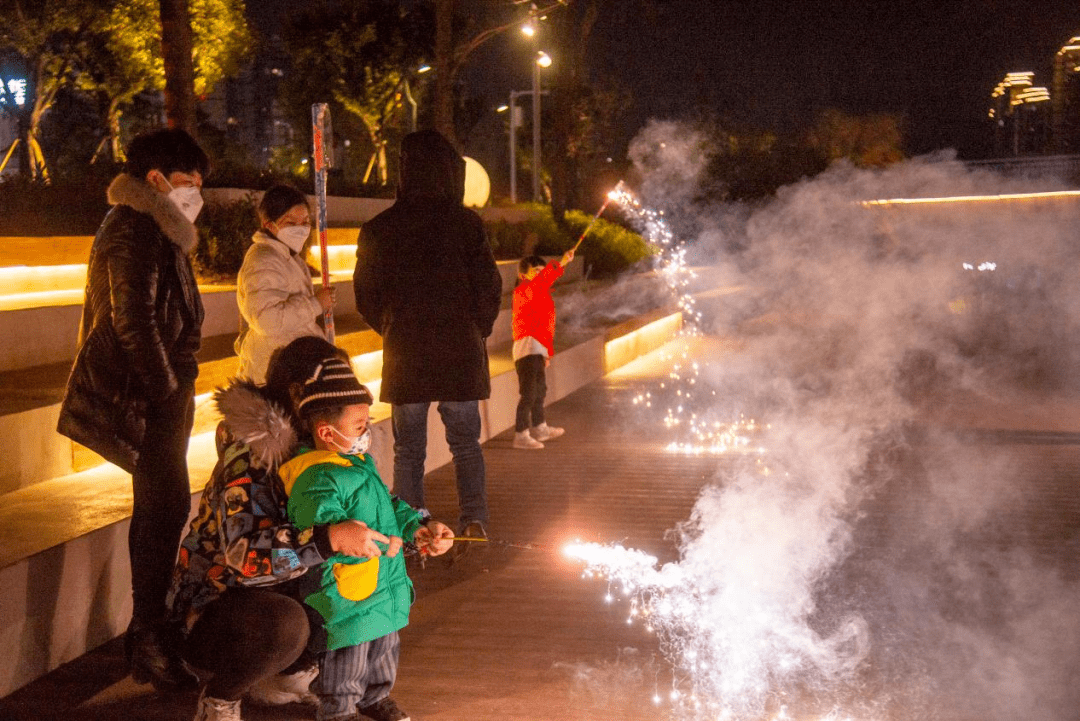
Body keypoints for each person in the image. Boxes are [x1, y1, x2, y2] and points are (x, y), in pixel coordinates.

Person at [57, 128, 209, 690]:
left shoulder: (157, 227)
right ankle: (149, 638)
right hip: (151, 396)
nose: (197, 195)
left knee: (162, 512)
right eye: (190, 183)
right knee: (160, 513)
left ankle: (154, 633)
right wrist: (168, 391)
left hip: (163, 392)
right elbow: (133, 322)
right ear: (156, 179)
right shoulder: (135, 228)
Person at [169, 336, 389, 721]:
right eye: (331, 387)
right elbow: (243, 557)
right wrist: (326, 539)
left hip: (287, 593)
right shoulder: (250, 459)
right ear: (297, 393)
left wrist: (417, 528)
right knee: (284, 624)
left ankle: (291, 677)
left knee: (367, 586)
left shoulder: (327, 452)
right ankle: (221, 695)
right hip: (223, 611)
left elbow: (376, 509)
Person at [279, 357, 454, 721]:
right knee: (350, 652)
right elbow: (318, 533)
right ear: (327, 432)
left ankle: (375, 697)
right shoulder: (315, 478)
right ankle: (338, 710)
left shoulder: (358, 464)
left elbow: (388, 504)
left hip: (383, 583)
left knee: (385, 642)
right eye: (359, 424)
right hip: (348, 591)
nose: (366, 430)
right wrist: (356, 542)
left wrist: (415, 528)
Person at [353, 130, 502, 540]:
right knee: (466, 445)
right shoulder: (467, 224)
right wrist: (477, 330)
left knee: (409, 451)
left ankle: (409, 528)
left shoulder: (380, 229)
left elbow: (366, 295)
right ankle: (473, 519)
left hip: (407, 354)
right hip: (460, 355)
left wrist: (390, 328)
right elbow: (489, 288)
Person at [235, 184, 335, 384]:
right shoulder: (263, 259)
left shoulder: (287, 255)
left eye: (305, 222)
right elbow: (268, 320)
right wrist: (315, 304)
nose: (300, 229)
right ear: (269, 224)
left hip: (290, 364)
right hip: (274, 371)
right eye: (291, 222)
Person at [511, 250, 575, 449]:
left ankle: (539, 428)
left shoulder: (540, 293)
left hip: (537, 349)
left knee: (540, 391)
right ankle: (521, 434)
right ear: (524, 276)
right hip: (527, 349)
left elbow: (546, 327)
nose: (540, 274)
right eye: (535, 271)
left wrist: (547, 353)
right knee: (529, 393)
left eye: (542, 270)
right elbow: (542, 282)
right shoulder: (524, 291)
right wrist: (561, 263)